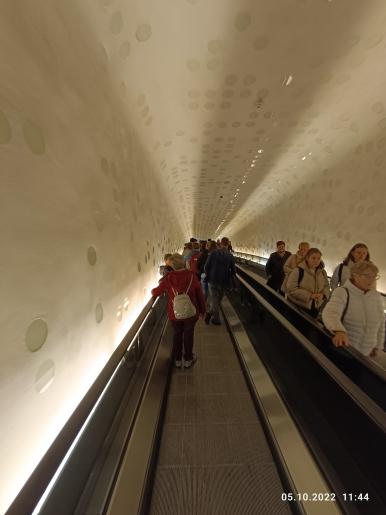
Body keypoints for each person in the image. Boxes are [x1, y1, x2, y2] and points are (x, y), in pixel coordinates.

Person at [151, 253, 206, 368]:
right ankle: (188, 359)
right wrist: (202, 311)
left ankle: (177, 359)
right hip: (191, 313)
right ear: (183, 263)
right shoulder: (192, 276)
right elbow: (200, 295)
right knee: (188, 335)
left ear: (172, 265)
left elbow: (156, 292)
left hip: (174, 314)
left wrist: (152, 291)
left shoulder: (168, 278)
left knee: (177, 335)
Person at [322, 261, 384, 357]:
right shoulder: (342, 292)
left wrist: (378, 346)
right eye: (367, 276)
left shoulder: (376, 297)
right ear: (355, 275)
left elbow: (381, 324)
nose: (371, 280)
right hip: (344, 349)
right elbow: (330, 313)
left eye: (374, 276)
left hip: (366, 354)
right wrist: (339, 331)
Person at [286, 247, 330, 318]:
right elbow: (291, 289)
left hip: (315, 307)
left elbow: (327, 286)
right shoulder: (298, 271)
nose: (316, 261)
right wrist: (310, 295)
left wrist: (323, 295)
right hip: (298, 307)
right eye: (313, 258)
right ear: (307, 258)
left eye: (318, 258)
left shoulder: (322, 272)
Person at [204, 237, 235, 325]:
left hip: (213, 280)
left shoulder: (214, 253)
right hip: (224, 281)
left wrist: (208, 275)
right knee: (217, 301)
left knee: (215, 301)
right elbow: (233, 270)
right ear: (228, 244)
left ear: (220, 243)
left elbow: (206, 266)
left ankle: (209, 313)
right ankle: (216, 319)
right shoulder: (230, 255)